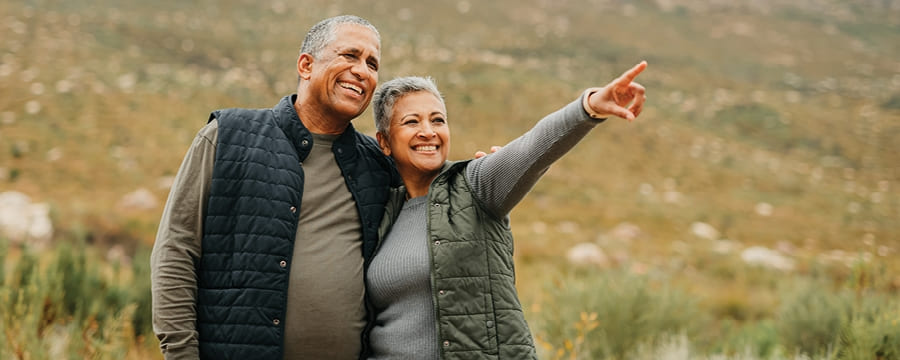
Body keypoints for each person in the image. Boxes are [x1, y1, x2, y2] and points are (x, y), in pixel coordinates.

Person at [150, 15, 398, 360]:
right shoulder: (226, 136)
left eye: (372, 64)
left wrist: (484, 167)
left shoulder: (379, 165)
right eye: (350, 55)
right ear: (306, 65)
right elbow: (176, 251)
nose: (363, 71)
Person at [365, 61, 647, 359]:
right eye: (412, 122)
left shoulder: (474, 185)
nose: (428, 131)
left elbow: (534, 148)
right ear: (384, 141)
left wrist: (588, 108)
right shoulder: (381, 209)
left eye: (437, 120)